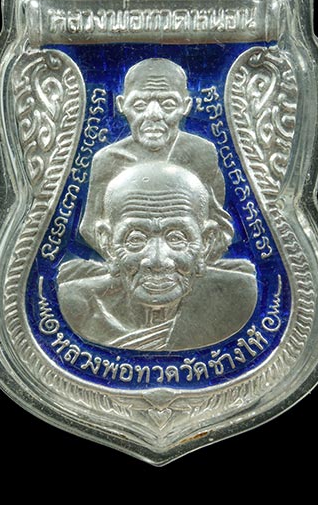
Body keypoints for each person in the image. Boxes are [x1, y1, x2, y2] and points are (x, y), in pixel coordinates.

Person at [57, 163, 257, 351]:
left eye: (176, 238)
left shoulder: (239, 297)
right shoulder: (77, 306)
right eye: (135, 239)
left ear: (206, 241)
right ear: (107, 242)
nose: (157, 261)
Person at [79, 58, 227, 258]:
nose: (153, 114)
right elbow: (90, 227)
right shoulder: (108, 159)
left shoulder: (201, 152)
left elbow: (217, 224)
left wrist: (189, 261)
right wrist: (123, 261)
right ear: (122, 105)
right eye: (139, 104)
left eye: (168, 104)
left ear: (186, 106)